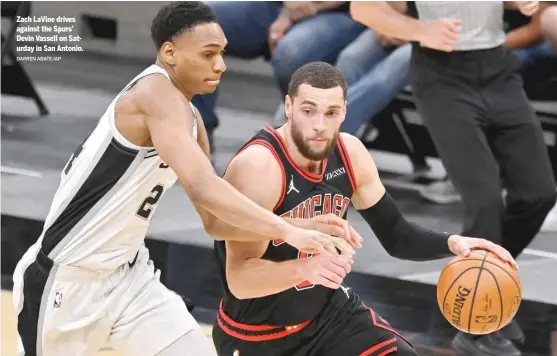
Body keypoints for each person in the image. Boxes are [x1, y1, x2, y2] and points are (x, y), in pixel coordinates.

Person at [11, 3, 359, 356]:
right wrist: (290, 232)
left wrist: (293, 222)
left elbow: (214, 222)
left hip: (130, 278)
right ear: (170, 52)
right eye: (208, 54)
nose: (220, 64)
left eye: (221, 53)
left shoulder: (191, 119)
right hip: (67, 281)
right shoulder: (153, 93)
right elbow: (204, 187)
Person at [204, 62, 517, 356]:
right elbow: (240, 279)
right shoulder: (260, 166)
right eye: (308, 111)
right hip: (257, 332)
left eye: (331, 113)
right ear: (288, 107)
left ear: (344, 113)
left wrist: (454, 243)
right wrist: (305, 269)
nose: (319, 125)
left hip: (329, 316)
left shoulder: (350, 153)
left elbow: (396, 235)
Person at [350, 1, 557, 355]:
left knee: (538, 192)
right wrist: (419, 30)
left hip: (497, 68)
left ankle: (483, 288)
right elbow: (362, 8)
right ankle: (476, 326)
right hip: (441, 75)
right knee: (485, 200)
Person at [190, 1, 364, 159]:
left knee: (291, 52)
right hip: (279, 5)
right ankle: (199, 135)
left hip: (344, 13)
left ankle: (303, 141)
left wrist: (307, 5)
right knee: (197, 22)